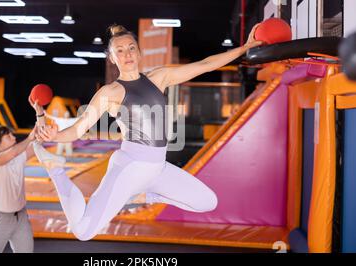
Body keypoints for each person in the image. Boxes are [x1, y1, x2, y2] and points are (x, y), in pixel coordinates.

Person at [31, 24, 263, 241]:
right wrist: (55, 136)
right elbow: (79, 128)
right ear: (112, 58)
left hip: (157, 168)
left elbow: (205, 65)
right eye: (120, 50)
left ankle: (147, 193)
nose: (127, 54)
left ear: (139, 53)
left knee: (207, 202)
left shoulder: (158, 77)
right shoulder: (109, 93)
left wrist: (245, 48)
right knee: (83, 231)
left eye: (131, 48)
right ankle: (57, 170)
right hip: (130, 166)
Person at [0, 125, 63, 253]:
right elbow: (13, 153)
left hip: (20, 217)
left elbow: (35, 146)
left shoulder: (18, 157)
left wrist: (42, 128)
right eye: (8, 136)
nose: (13, 137)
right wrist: (29, 138)